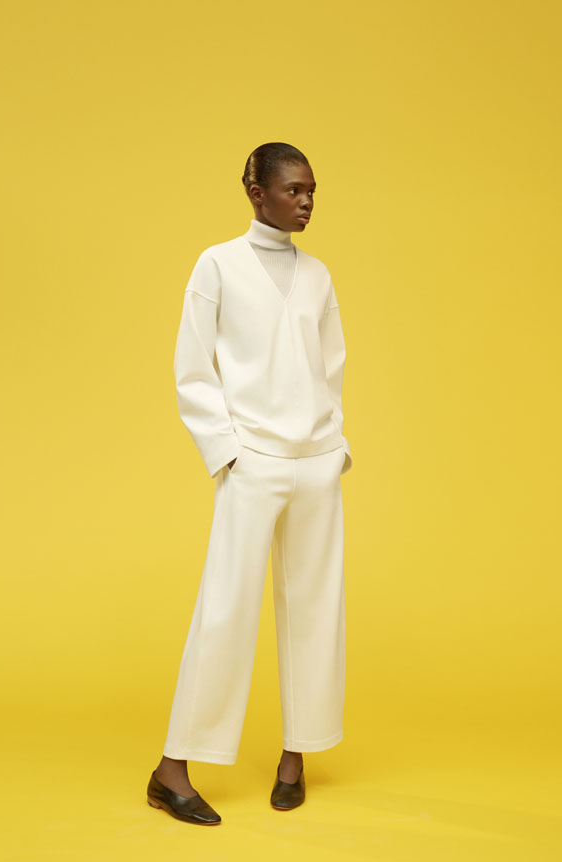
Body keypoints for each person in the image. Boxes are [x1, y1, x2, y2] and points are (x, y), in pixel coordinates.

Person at [147, 142, 353, 825]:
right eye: (294, 189)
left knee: (316, 609)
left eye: (312, 190)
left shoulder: (318, 275)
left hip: (315, 461)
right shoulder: (218, 265)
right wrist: (228, 452)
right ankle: (172, 769)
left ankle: (296, 755)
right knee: (226, 609)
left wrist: (334, 445)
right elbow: (192, 367)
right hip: (253, 460)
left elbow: (330, 367)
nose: (306, 201)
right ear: (256, 192)